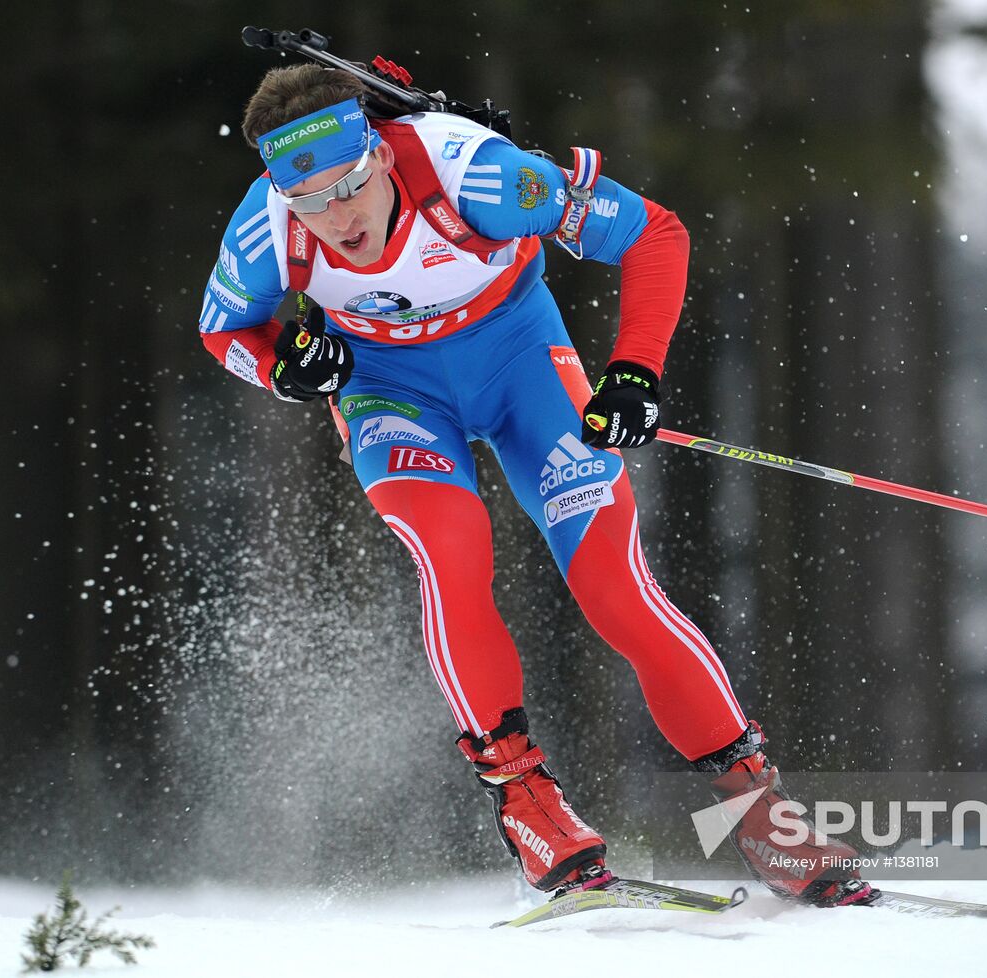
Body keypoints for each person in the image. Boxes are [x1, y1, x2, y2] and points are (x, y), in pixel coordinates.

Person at [198, 62, 875, 907]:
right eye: (307, 201)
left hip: (520, 361)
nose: (335, 219)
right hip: (387, 391)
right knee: (451, 553)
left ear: (378, 152)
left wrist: (634, 373)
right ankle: (526, 803)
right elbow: (223, 331)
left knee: (613, 587)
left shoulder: (473, 172)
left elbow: (653, 234)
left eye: (348, 186)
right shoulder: (268, 230)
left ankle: (758, 807)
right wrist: (287, 368)